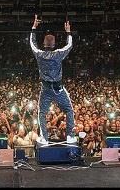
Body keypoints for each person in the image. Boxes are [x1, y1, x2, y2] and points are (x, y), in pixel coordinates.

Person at [30, 14, 76, 145]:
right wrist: (68, 32)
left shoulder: (39, 54)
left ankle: (44, 138)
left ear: (44, 44)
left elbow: (32, 43)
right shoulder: (58, 54)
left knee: (42, 113)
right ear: (54, 44)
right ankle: (70, 136)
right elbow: (69, 45)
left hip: (46, 89)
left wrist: (34, 28)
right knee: (69, 110)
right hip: (58, 89)